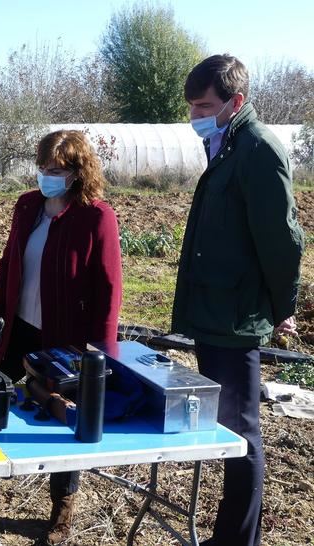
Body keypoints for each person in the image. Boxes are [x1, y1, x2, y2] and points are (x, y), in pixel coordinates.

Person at [172, 54, 305, 546]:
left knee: (241, 433)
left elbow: (282, 241)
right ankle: (228, 533)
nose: (194, 116)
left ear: (236, 101)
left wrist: (281, 307)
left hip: (236, 316)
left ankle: (238, 540)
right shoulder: (224, 143)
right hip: (214, 312)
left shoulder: (258, 150)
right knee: (225, 428)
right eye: (190, 106)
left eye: (203, 105)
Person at [0, 130, 123, 545]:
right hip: (19, 327)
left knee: (65, 417)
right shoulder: (28, 205)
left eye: (56, 170)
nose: (47, 176)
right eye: (43, 168)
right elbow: (9, 263)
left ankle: (62, 510)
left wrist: (100, 354)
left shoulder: (96, 217)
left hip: (64, 337)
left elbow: (108, 288)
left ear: (77, 172)